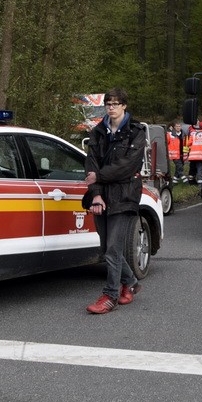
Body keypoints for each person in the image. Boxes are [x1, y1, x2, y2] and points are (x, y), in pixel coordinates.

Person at [84, 87, 146, 314]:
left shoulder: (136, 131)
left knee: (112, 248)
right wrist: (96, 193)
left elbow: (128, 166)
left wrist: (99, 176)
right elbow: (91, 164)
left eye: (115, 103)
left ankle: (110, 295)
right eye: (108, 103)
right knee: (107, 248)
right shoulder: (98, 131)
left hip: (125, 193)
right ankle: (130, 283)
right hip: (102, 194)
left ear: (124, 106)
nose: (111, 107)